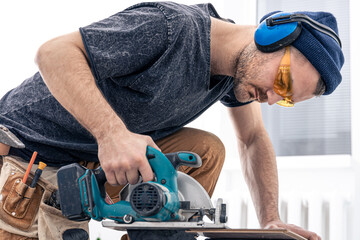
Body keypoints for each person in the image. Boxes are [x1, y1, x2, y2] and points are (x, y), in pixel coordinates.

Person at [0, 2, 344, 240]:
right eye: (281, 82)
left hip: (84, 159)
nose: (270, 97)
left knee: (205, 151)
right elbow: (53, 52)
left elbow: (253, 137)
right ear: (271, 36)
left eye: (283, 99)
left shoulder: (236, 74)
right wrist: (112, 134)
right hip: (24, 155)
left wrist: (271, 222)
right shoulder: (170, 28)